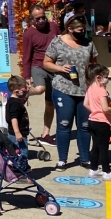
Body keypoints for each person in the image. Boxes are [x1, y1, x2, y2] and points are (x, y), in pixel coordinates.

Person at [43, 15, 98, 170]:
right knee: (64, 124)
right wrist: (60, 68)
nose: (83, 32)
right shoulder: (57, 42)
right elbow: (46, 63)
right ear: (70, 29)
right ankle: (62, 159)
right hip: (63, 88)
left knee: (85, 125)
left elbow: (94, 64)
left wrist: (96, 83)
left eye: (84, 30)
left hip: (84, 90)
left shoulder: (88, 43)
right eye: (80, 30)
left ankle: (85, 158)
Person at [21, 6, 58, 147]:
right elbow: (26, 57)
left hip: (54, 67)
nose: (42, 20)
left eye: (43, 17)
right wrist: (26, 77)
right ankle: (21, 92)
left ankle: (45, 134)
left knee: (50, 104)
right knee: (40, 88)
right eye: (38, 18)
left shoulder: (54, 27)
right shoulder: (29, 33)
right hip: (38, 66)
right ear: (32, 19)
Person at [84, 63, 111, 182]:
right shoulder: (102, 91)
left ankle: (93, 169)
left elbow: (85, 104)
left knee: (95, 146)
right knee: (103, 148)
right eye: (106, 77)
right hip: (102, 123)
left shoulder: (90, 88)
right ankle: (107, 172)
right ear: (98, 78)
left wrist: (95, 111)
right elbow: (106, 108)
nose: (107, 80)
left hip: (92, 121)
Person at [6, 76, 32, 170]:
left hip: (16, 133)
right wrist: (17, 132)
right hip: (18, 135)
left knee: (16, 154)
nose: (25, 91)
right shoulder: (15, 104)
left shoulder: (14, 101)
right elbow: (14, 118)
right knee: (22, 154)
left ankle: (19, 170)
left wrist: (27, 89)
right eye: (24, 89)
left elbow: (24, 97)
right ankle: (22, 173)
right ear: (16, 91)